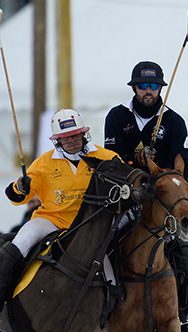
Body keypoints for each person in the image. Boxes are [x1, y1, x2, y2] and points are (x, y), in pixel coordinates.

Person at [104, 60, 188, 332]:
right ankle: (96, 308)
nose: (149, 91)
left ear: (160, 89)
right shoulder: (118, 116)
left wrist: (158, 166)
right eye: (144, 86)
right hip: (128, 197)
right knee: (102, 242)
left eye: (154, 86)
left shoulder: (174, 122)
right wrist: (137, 165)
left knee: (183, 254)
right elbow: (112, 162)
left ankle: (182, 321)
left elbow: (185, 169)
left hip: (161, 202)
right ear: (134, 87)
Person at [0, 109, 121, 312]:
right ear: (57, 140)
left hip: (92, 227)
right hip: (51, 221)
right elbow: (18, 197)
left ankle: (114, 313)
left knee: (117, 267)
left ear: (84, 134)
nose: (72, 140)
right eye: (65, 137)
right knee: (19, 243)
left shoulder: (106, 157)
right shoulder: (44, 163)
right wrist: (20, 187)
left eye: (75, 135)